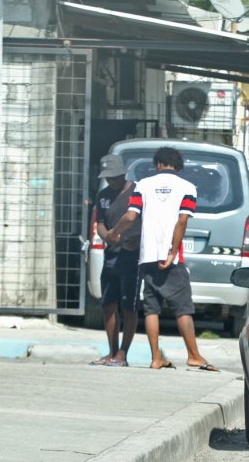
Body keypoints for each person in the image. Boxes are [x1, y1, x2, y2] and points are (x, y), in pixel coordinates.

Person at [106, 147, 218, 372]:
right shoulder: (188, 188)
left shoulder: (143, 186)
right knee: (183, 308)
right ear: (177, 166)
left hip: (147, 255)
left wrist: (114, 232)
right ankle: (194, 356)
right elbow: (182, 221)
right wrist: (172, 252)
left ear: (158, 164)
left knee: (151, 308)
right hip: (171, 258)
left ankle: (156, 357)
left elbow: (131, 216)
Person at [89, 154, 140, 367]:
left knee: (129, 305)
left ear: (123, 174)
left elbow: (144, 221)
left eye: (115, 177)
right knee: (108, 304)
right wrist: (105, 234)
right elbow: (99, 222)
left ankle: (123, 353)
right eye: (108, 178)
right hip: (111, 255)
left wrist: (135, 241)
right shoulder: (103, 195)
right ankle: (111, 351)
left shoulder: (136, 193)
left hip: (131, 255)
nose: (112, 181)